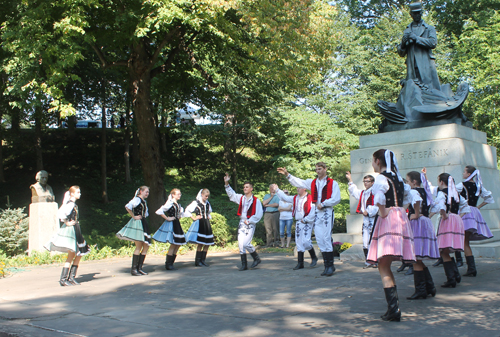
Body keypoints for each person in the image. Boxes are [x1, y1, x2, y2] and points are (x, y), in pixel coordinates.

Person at [366, 149, 415, 322]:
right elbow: (409, 198)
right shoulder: (399, 179)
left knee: (383, 264)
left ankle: (394, 310)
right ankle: (393, 309)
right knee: (384, 264)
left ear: (378, 161)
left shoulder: (381, 178)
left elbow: (379, 199)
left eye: (373, 160)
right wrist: (400, 208)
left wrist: (383, 211)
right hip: (399, 217)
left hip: (388, 219)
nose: (372, 164)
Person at [277, 162, 341, 277]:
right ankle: (327, 266)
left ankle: (330, 266)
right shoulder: (312, 182)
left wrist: (324, 203)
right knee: (320, 239)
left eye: (320, 169)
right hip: (317, 213)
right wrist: (287, 174)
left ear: (325, 169)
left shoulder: (333, 183)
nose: (318, 171)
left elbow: (336, 198)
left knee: (326, 238)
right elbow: (299, 182)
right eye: (316, 169)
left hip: (326, 212)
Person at [427, 171, 469, 288]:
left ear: (441, 182)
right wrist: (458, 217)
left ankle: (452, 278)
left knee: (443, 250)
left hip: (447, 221)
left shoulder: (442, 194)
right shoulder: (456, 194)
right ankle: (455, 275)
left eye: (438, 181)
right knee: (446, 249)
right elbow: (465, 206)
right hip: (456, 220)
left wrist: (444, 215)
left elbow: (441, 207)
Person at [45, 186, 90, 286]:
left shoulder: (73, 204)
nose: (80, 194)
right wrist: (67, 222)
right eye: (78, 192)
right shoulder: (69, 204)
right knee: (72, 255)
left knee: (78, 254)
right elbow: (60, 213)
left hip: (76, 229)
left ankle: (71, 277)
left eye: (79, 192)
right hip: (71, 230)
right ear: (72, 194)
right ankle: (64, 279)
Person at [405, 171, 439, 300]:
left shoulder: (414, 192)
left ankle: (421, 290)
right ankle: (429, 287)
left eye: (408, 181)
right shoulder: (425, 191)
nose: (407, 184)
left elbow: (417, 201)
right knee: (417, 258)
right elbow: (434, 205)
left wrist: (416, 213)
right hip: (424, 222)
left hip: (417, 223)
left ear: (414, 182)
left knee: (416, 258)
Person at [455, 166, 494, 277]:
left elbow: (451, 194)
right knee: (465, 241)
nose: (463, 173)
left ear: (469, 174)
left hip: (465, 211)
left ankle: (471, 268)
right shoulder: (478, 186)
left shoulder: (461, 185)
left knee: (465, 242)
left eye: (464, 171)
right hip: (473, 212)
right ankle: (470, 267)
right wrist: (478, 207)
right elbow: (489, 198)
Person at [272, 184, 318, 270]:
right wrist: (277, 189)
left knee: (306, 241)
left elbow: (313, 210)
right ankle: (300, 263)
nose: (298, 189)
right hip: (298, 222)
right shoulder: (295, 198)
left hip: (307, 221)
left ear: (304, 188)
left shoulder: (310, 198)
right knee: (299, 242)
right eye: (297, 187)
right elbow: (285, 197)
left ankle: (314, 256)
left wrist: (306, 219)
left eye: (299, 187)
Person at [224, 173, 263, 271]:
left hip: (250, 224)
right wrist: (226, 182)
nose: (245, 188)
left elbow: (259, 213)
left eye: (247, 187)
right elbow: (232, 194)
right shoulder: (241, 198)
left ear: (251, 189)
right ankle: (244, 264)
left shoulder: (256, 200)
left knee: (246, 243)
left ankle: (256, 258)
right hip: (242, 222)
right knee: (241, 244)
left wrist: (250, 221)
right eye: (244, 187)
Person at [346, 171, 378, 268]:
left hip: (373, 218)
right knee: (365, 241)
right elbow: (354, 191)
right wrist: (350, 180)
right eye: (364, 181)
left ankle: (375, 261)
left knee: (373, 240)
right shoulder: (363, 193)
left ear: (372, 182)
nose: (365, 183)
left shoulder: (375, 192)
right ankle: (368, 261)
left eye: (367, 181)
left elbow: (377, 204)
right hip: (366, 220)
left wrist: (368, 211)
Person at [116, 186, 151, 276]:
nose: (147, 193)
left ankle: (139, 268)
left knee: (146, 245)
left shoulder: (144, 201)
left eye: (148, 192)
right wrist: (134, 216)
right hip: (137, 223)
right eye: (146, 192)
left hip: (143, 223)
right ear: (141, 192)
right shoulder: (136, 200)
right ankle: (134, 269)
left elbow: (145, 214)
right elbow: (128, 207)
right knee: (139, 246)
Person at [152, 189, 188, 270]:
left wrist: (179, 216)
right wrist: (167, 218)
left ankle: (171, 263)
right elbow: (159, 211)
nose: (179, 195)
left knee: (178, 244)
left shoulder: (177, 205)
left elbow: (180, 214)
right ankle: (168, 264)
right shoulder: (169, 203)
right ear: (173, 195)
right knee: (173, 243)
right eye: (178, 194)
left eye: (180, 194)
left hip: (177, 223)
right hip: (172, 224)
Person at [185, 189, 215, 267]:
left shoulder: (207, 203)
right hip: (200, 223)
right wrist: (194, 218)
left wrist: (208, 216)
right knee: (201, 243)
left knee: (207, 243)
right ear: (202, 194)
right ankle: (198, 261)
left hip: (206, 223)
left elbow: (209, 212)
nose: (207, 197)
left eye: (208, 196)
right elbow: (187, 210)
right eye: (206, 196)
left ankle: (203, 260)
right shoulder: (196, 203)